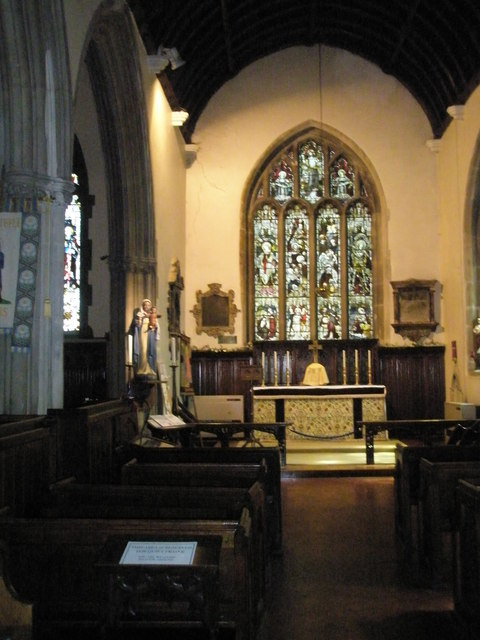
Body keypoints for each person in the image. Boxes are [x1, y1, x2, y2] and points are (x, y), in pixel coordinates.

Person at [129, 298, 158, 379]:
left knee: (150, 350)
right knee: (143, 350)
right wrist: (139, 321)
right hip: (142, 333)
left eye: (148, 305)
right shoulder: (140, 314)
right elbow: (137, 325)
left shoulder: (152, 315)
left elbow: (155, 325)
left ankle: (150, 369)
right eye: (145, 305)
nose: (147, 306)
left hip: (149, 334)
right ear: (143, 306)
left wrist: (154, 327)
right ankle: (142, 369)